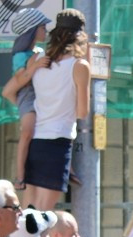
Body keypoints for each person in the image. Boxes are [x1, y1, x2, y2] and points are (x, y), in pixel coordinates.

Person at [15, 8, 90, 211]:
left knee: (28, 213)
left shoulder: (37, 60)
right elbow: (83, 112)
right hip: (58, 142)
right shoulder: (80, 66)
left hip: (36, 141)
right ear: (80, 36)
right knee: (42, 217)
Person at [1, 7, 52, 205]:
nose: (45, 31)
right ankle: (20, 174)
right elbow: (20, 78)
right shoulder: (21, 56)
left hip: (38, 96)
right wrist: (36, 66)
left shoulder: (37, 52)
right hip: (28, 95)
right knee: (27, 132)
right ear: (32, 30)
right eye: (42, 27)